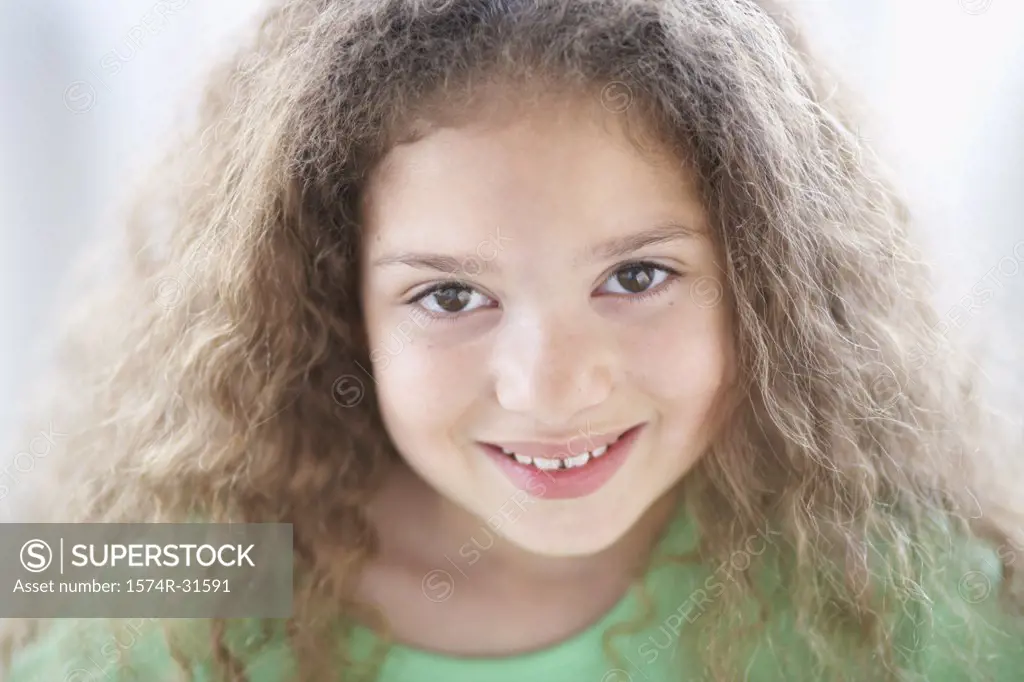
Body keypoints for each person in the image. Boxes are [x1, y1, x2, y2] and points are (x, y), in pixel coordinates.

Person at [3, 0, 1023, 680]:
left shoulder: (888, 584)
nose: (546, 388)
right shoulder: (184, 560)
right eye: (450, 296)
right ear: (322, 298)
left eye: (635, 276)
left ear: (765, 284)